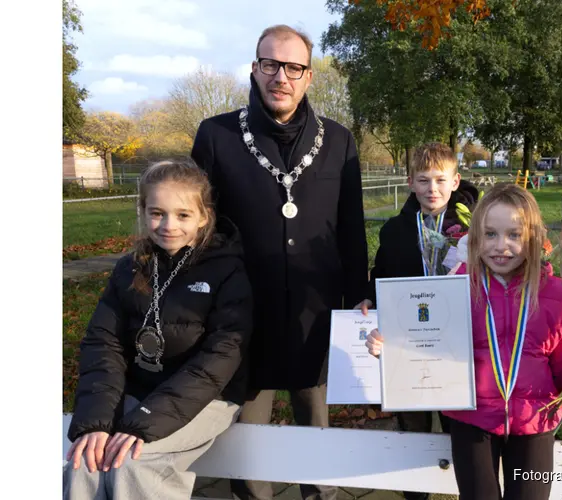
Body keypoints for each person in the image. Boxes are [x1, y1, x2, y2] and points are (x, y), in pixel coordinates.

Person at [190, 24, 368, 500]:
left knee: (316, 430)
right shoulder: (216, 136)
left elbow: (351, 229)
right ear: (255, 69)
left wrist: (360, 298)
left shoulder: (339, 140)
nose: (281, 77)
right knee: (247, 441)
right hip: (242, 317)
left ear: (308, 76)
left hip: (317, 314)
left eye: (293, 67)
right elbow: (198, 231)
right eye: (271, 64)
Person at [365, 183, 562, 500]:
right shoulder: (454, 289)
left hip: (535, 420)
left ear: (533, 238)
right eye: (490, 234)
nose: (500, 246)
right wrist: (391, 351)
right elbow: (427, 348)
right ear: (475, 237)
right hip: (471, 420)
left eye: (514, 235)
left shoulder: (558, 295)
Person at [63, 160, 253, 500]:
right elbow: (103, 345)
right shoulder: (129, 268)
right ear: (143, 210)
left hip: (207, 398)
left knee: (133, 464)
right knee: (85, 461)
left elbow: (221, 358)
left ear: (204, 217)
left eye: (183, 215)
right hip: (142, 391)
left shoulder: (227, 270)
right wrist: (95, 423)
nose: (168, 226)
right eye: (157, 213)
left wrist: (144, 424)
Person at [356, 142, 477, 500]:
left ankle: (461, 485)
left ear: (455, 181)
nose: (432, 189)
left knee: (460, 423)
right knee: (413, 423)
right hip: (409, 345)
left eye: (441, 180)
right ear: (409, 181)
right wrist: (369, 295)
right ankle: (415, 492)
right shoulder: (394, 230)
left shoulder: (474, 226)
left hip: (458, 344)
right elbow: (383, 273)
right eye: (423, 180)